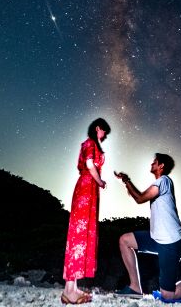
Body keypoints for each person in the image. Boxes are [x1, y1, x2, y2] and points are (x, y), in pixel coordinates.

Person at [114, 153, 181, 302]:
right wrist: (126, 182)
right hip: (156, 238)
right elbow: (138, 197)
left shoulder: (164, 181)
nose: (152, 164)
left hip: (170, 241)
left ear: (161, 166)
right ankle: (135, 288)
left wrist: (127, 181)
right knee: (125, 240)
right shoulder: (160, 183)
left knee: (168, 296)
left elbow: (140, 198)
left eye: (154, 162)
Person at [61, 118, 111, 304]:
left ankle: (72, 287)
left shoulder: (90, 144)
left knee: (82, 234)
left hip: (88, 189)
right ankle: (69, 289)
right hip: (87, 187)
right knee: (78, 234)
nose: (105, 135)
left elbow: (84, 164)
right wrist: (100, 182)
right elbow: (89, 164)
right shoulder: (90, 143)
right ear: (98, 128)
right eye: (104, 131)